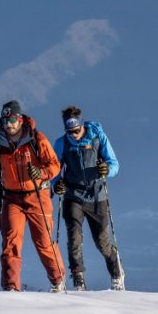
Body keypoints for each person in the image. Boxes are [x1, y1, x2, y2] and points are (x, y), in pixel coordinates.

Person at [0, 100, 66, 292]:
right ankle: (11, 288)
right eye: (5, 120)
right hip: (11, 199)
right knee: (10, 243)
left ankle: (57, 280)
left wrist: (42, 174)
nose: (9, 124)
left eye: (12, 119)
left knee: (44, 242)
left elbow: (55, 165)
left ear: (20, 119)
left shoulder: (36, 138)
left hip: (37, 196)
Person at [51, 105, 124, 291]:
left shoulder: (98, 137)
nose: (73, 135)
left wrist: (106, 170)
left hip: (96, 195)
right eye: (69, 131)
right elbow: (54, 170)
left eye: (76, 131)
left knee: (103, 242)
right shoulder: (61, 144)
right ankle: (78, 280)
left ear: (82, 125)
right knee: (74, 238)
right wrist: (56, 184)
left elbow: (114, 164)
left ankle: (117, 273)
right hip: (72, 195)